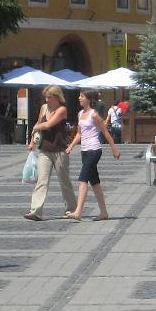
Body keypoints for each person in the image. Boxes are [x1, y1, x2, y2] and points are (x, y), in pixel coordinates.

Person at [63, 90, 120, 221]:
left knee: (82, 179)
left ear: (88, 99)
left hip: (94, 150)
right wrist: (71, 146)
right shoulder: (80, 114)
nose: (79, 98)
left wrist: (114, 148)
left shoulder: (94, 115)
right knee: (95, 182)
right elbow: (80, 133)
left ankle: (78, 211)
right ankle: (104, 212)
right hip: (85, 150)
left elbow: (105, 132)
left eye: (82, 96)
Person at [24, 86, 77, 221]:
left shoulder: (62, 110)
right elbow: (38, 123)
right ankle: (35, 211)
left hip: (60, 151)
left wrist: (36, 127)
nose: (47, 100)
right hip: (44, 150)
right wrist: (32, 141)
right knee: (42, 181)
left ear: (57, 97)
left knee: (64, 181)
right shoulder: (43, 108)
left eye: (49, 97)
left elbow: (48, 125)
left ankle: (71, 209)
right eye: (46, 97)